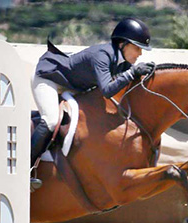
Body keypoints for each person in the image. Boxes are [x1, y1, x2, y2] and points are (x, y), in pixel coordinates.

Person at [30, 17, 155, 189]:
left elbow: (127, 84)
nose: (140, 54)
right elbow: (107, 90)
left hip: (73, 86)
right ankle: (25, 170)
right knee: (51, 120)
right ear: (122, 44)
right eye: (137, 48)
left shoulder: (122, 63)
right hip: (49, 79)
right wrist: (133, 72)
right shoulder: (101, 55)